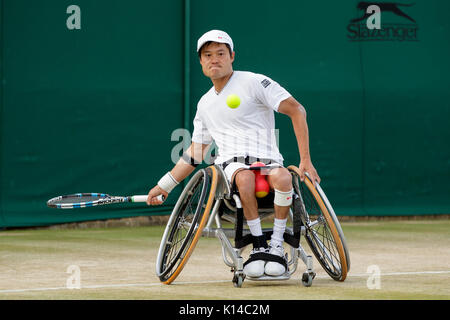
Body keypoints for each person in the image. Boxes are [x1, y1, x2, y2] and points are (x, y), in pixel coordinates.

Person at [146, 30, 320, 278]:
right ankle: (258, 244)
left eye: (220, 53)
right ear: (201, 61)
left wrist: (305, 160)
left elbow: (297, 111)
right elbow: (195, 152)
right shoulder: (204, 104)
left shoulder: (254, 82)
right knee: (245, 178)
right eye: (207, 55)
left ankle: (277, 245)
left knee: (283, 179)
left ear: (232, 56)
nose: (213, 59)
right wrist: (164, 185)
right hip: (232, 167)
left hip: (269, 162)